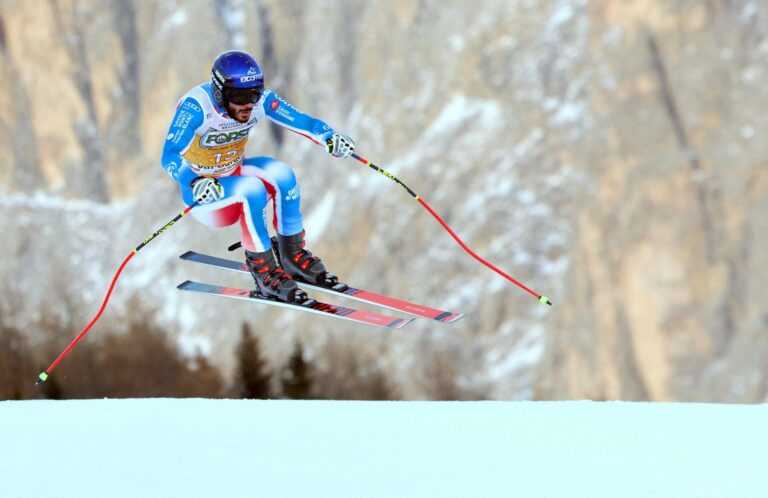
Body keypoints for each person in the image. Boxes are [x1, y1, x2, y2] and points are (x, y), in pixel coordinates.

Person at [161, 50, 356, 303]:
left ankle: (293, 257)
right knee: (251, 189)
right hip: (205, 197)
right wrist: (194, 180)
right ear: (220, 92)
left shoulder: (258, 102)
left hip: (234, 175)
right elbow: (170, 154)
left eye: (254, 93)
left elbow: (301, 121)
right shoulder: (196, 107)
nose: (248, 104)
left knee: (282, 174)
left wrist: (329, 137)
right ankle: (264, 274)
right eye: (240, 96)